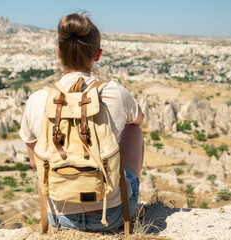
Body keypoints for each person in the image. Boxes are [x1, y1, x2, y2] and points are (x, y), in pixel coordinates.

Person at [19, 13, 144, 232]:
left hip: (58, 216)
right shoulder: (114, 92)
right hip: (111, 215)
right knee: (134, 128)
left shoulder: (37, 99)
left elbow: (34, 162)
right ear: (97, 55)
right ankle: (115, 195)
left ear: (59, 52)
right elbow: (140, 119)